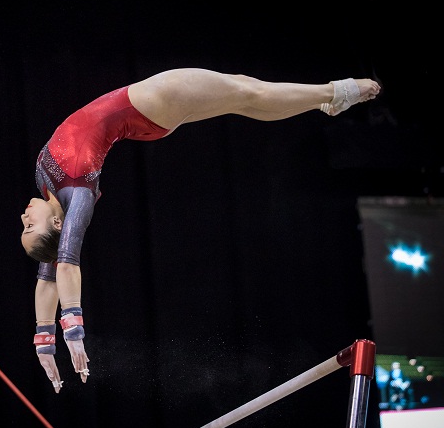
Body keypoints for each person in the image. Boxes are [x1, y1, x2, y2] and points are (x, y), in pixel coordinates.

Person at [20, 68, 381, 393]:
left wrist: (45, 339)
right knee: (246, 90)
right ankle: (334, 92)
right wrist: (74, 331)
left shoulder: (50, 189)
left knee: (245, 97)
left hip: (148, 120)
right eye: (29, 226)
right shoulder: (76, 192)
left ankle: (325, 100)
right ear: (56, 224)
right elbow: (66, 263)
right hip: (154, 100)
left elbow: (48, 274)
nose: (23, 217)